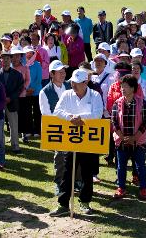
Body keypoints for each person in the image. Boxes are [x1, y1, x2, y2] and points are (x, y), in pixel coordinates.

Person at [50, 69, 103, 217]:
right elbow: (57, 111)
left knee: (87, 172)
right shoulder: (67, 94)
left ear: (85, 82)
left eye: (77, 83)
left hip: (88, 141)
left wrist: (80, 117)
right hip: (70, 139)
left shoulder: (95, 95)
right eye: (72, 82)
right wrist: (70, 117)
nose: (73, 84)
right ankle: (63, 204)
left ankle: (85, 202)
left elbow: (97, 114)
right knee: (67, 171)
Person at [111, 74, 146, 200]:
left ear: (133, 88)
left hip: (138, 141)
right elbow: (114, 121)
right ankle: (121, 188)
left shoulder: (141, 102)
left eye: (126, 87)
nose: (122, 89)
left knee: (140, 166)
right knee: (121, 166)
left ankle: (143, 189)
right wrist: (121, 136)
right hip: (121, 141)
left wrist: (135, 137)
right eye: (122, 86)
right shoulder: (117, 103)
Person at [39, 60, 70, 195]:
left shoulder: (70, 86)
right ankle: (59, 183)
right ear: (52, 74)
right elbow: (47, 114)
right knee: (60, 158)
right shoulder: (44, 92)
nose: (63, 74)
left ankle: (77, 182)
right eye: (60, 72)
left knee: (76, 156)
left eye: (64, 71)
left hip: (72, 127)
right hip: (57, 128)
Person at [0, 51, 24, 154]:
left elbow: (20, 88)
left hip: (12, 103)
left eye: (8, 59)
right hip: (0, 104)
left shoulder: (17, 74)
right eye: (3, 59)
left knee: (14, 125)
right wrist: (2, 98)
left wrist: (10, 98)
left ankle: (15, 146)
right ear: (1, 60)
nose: (5, 60)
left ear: (11, 60)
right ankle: (1, 146)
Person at [24, 46, 43, 138]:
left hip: (36, 92)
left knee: (36, 111)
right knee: (27, 112)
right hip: (26, 92)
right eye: (27, 53)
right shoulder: (22, 65)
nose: (29, 54)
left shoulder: (37, 64)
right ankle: (28, 130)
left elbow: (39, 79)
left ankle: (37, 130)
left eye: (31, 52)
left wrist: (32, 88)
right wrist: (26, 89)